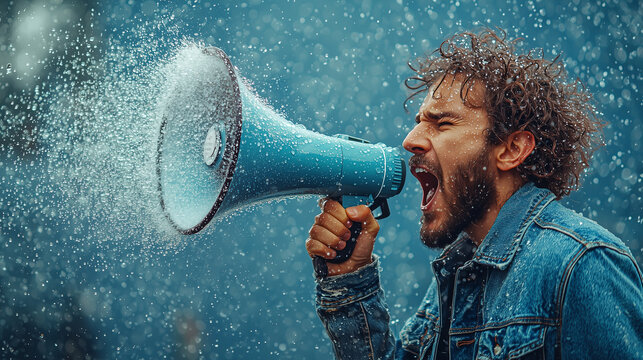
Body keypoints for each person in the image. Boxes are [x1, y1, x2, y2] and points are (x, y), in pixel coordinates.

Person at [305, 28, 643, 359]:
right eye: (420, 121)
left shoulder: (582, 264)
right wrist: (349, 278)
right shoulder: (460, 269)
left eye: (442, 123)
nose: (410, 140)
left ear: (512, 149)